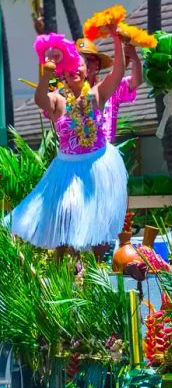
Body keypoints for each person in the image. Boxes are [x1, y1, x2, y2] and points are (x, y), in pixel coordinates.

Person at [11, 28, 128, 253]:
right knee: (66, 214)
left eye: (80, 65)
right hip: (68, 167)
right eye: (70, 67)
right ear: (63, 72)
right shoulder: (57, 100)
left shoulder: (95, 95)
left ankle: (96, 275)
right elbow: (39, 98)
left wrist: (116, 40)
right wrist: (46, 74)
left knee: (98, 230)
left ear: (86, 70)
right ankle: (60, 274)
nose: (75, 69)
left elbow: (118, 74)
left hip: (98, 165)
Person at [76, 38, 143, 142]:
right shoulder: (67, 92)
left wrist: (134, 57)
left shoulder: (109, 88)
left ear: (97, 64)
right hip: (76, 153)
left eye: (90, 59)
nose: (85, 63)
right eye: (79, 59)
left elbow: (136, 81)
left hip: (106, 151)